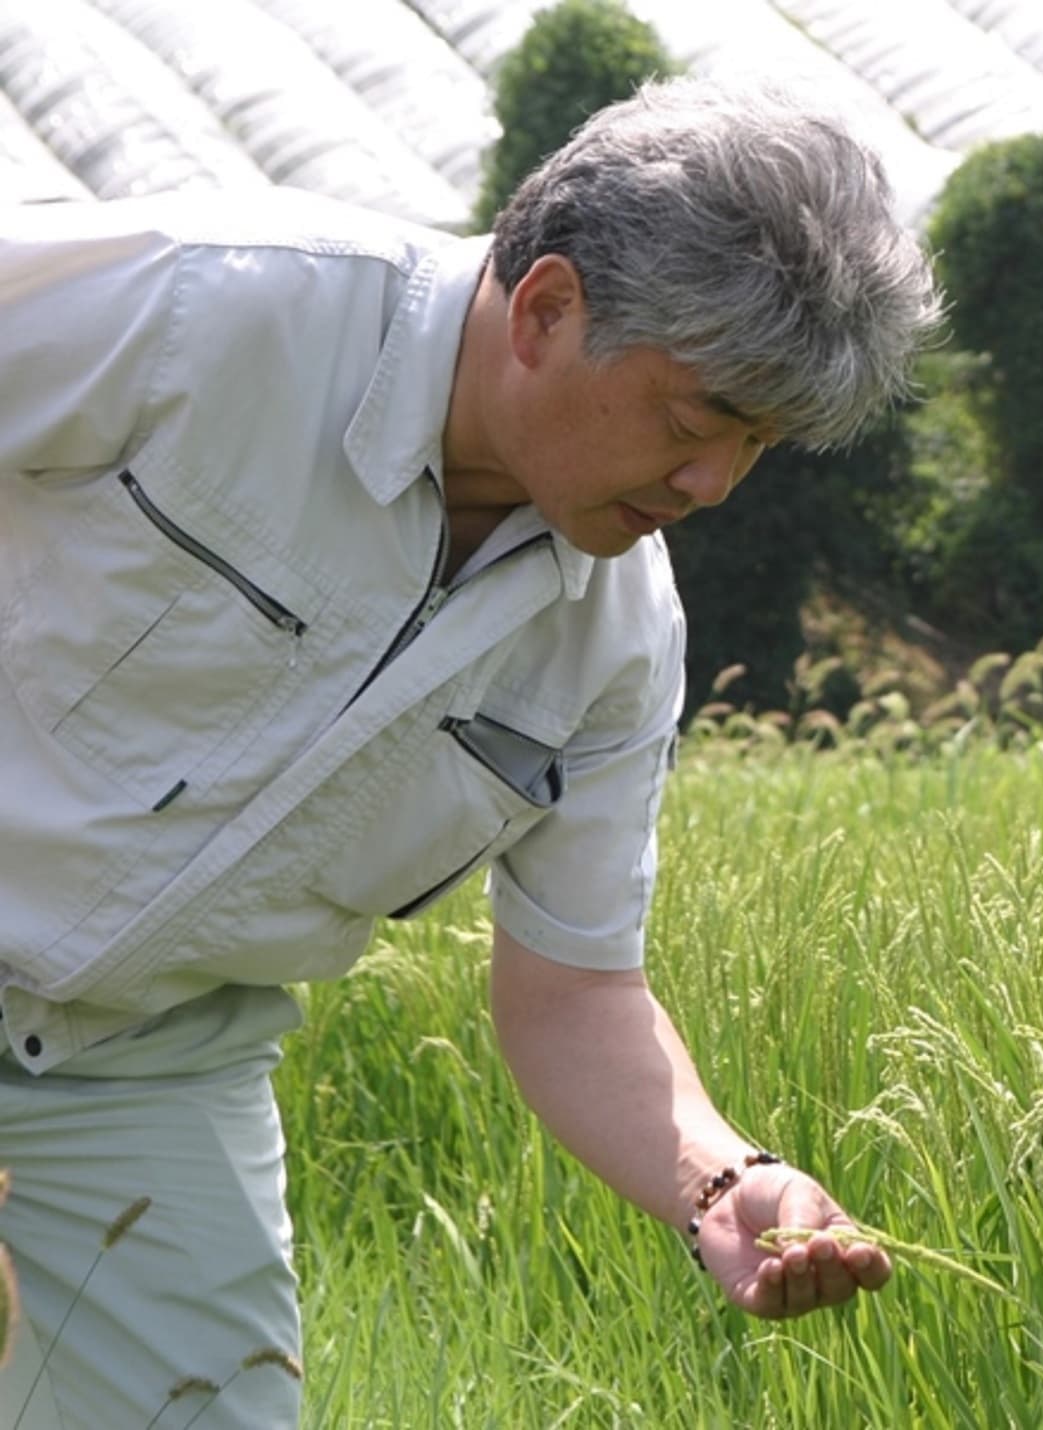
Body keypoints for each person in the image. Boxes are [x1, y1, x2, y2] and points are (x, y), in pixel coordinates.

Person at [0, 76, 942, 1426]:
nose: (711, 486)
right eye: (693, 420)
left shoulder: (617, 638)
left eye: (757, 445)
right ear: (547, 308)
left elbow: (572, 995)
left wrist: (724, 1180)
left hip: (147, 1064)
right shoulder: (221, 305)